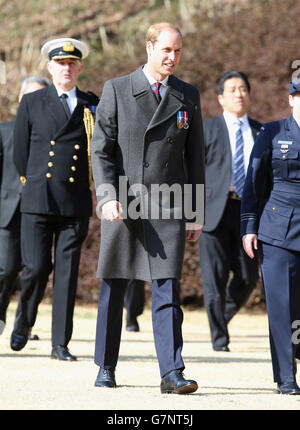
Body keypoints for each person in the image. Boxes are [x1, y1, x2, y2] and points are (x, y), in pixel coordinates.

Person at [91, 22, 205, 393]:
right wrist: (107, 197)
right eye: (167, 50)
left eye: (178, 51)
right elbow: (101, 150)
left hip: (170, 206)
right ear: (149, 48)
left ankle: (171, 373)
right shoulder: (118, 89)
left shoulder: (188, 95)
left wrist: (196, 212)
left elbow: (195, 159)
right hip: (124, 201)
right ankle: (106, 366)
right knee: (114, 285)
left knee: (168, 290)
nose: (173, 58)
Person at [10, 38, 99, 361]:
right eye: (61, 63)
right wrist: (32, 182)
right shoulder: (33, 102)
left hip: (75, 200)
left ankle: (60, 343)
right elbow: (21, 152)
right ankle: (23, 320)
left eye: (72, 63)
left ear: (80, 68)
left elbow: (100, 150)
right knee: (35, 267)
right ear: (50, 67)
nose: (67, 68)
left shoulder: (92, 103)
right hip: (38, 197)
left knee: (67, 271)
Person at [241, 80, 300, 395]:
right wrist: (249, 225)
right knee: (282, 305)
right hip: (279, 227)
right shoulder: (273, 132)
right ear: (292, 99)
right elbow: (254, 180)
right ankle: (286, 376)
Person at [198, 71, 261, 351]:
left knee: (248, 278)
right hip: (213, 212)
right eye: (233, 89)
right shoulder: (206, 130)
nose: (240, 94)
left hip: (248, 213)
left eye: (244, 89)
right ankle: (219, 339)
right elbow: (193, 172)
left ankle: (220, 318)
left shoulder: (262, 132)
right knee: (214, 279)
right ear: (221, 98)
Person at [0, 76, 49, 339]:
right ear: (20, 100)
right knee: (6, 269)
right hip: (8, 212)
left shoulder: (53, 136)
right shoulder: (4, 131)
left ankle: (23, 324)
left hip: (41, 210)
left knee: (37, 269)